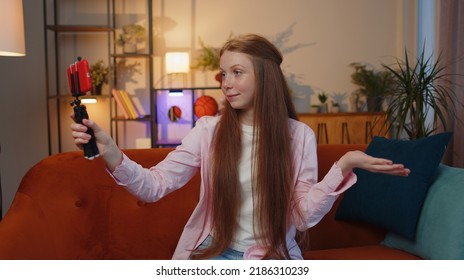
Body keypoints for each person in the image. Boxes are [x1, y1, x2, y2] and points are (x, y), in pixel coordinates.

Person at [71, 34, 410, 260]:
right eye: (223, 74)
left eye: (236, 72)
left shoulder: (299, 136)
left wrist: (345, 164)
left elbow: (302, 217)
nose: (227, 83)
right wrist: (111, 151)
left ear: (265, 76)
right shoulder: (208, 131)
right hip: (213, 251)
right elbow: (154, 186)